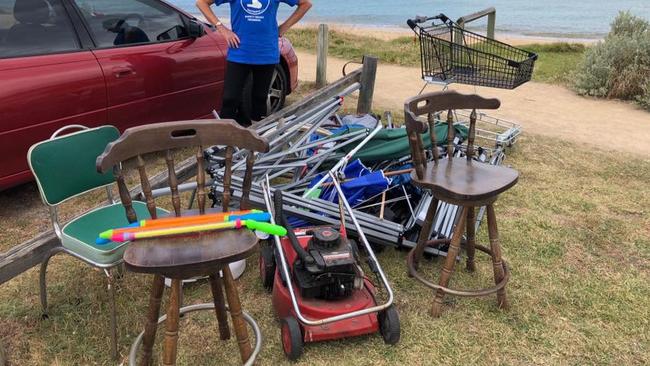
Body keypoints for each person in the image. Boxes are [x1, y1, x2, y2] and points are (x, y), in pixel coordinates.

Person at [197, 0, 312, 127]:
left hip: (266, 52)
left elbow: (305, 4)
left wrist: (284, 27)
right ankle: (225, 139)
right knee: (230, 99)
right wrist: (222, 29)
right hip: (239, 51)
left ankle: (255, 137)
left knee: (259, 99)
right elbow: (202, 3)